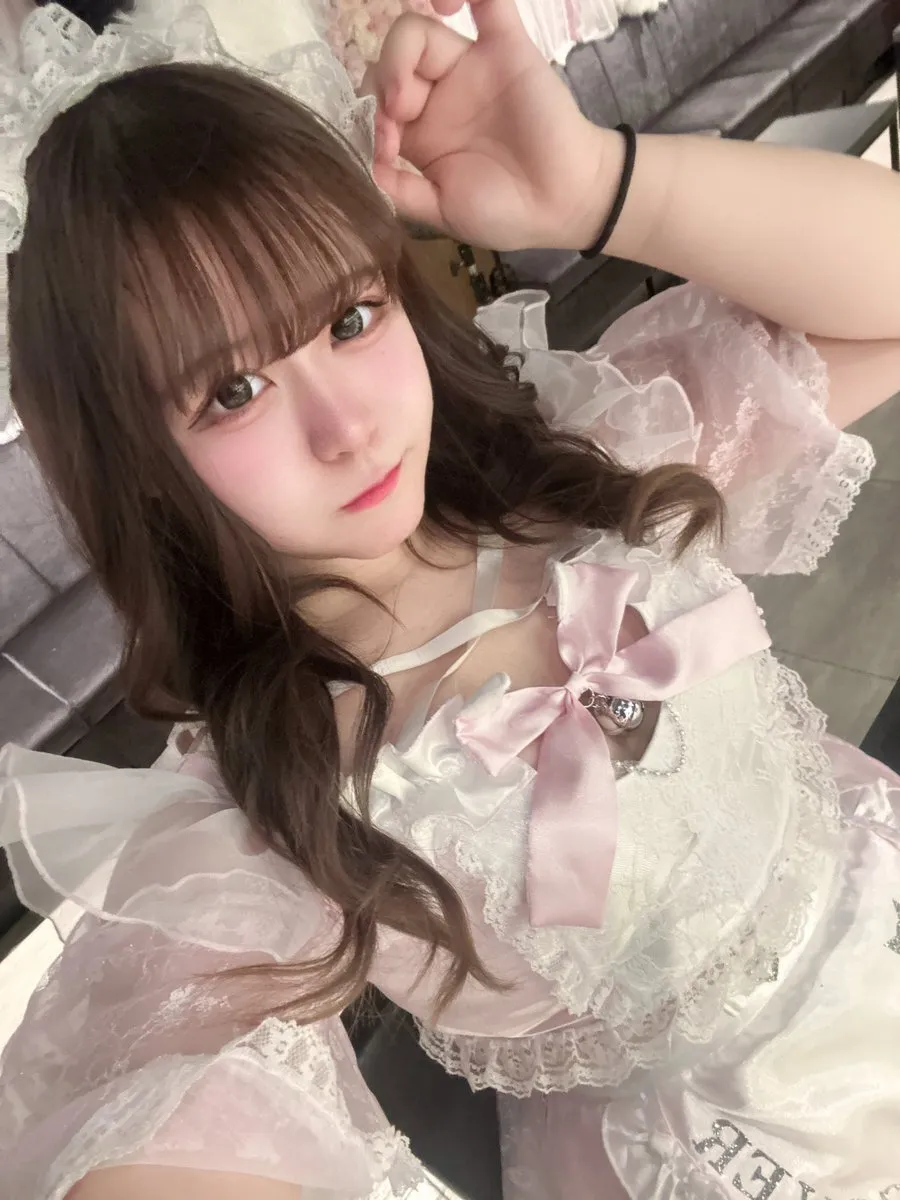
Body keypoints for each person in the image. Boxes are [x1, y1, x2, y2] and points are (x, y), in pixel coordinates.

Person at [2, 0, 900, 1196]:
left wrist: (596, 183)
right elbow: (135, 1105)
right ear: (137, 462)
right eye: (232, 393)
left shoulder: (586, 456)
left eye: (349, 317)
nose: (346, 426)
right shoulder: (270, 802)